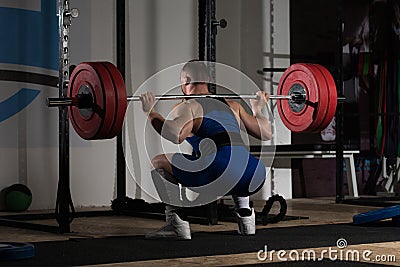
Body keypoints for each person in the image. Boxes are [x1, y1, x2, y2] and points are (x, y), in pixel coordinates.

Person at [140, 61, 271, 240]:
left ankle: (177, 224)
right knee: (236, 159)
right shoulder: (233, 105)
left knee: (158, 162)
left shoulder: (189, 106)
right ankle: (246, 219)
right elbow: (266, 133)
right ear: (208, 79)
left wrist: (150, 112)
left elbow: (176, 134)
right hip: (254, 172)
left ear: (184, 81)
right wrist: (258, 109)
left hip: (217, 172)